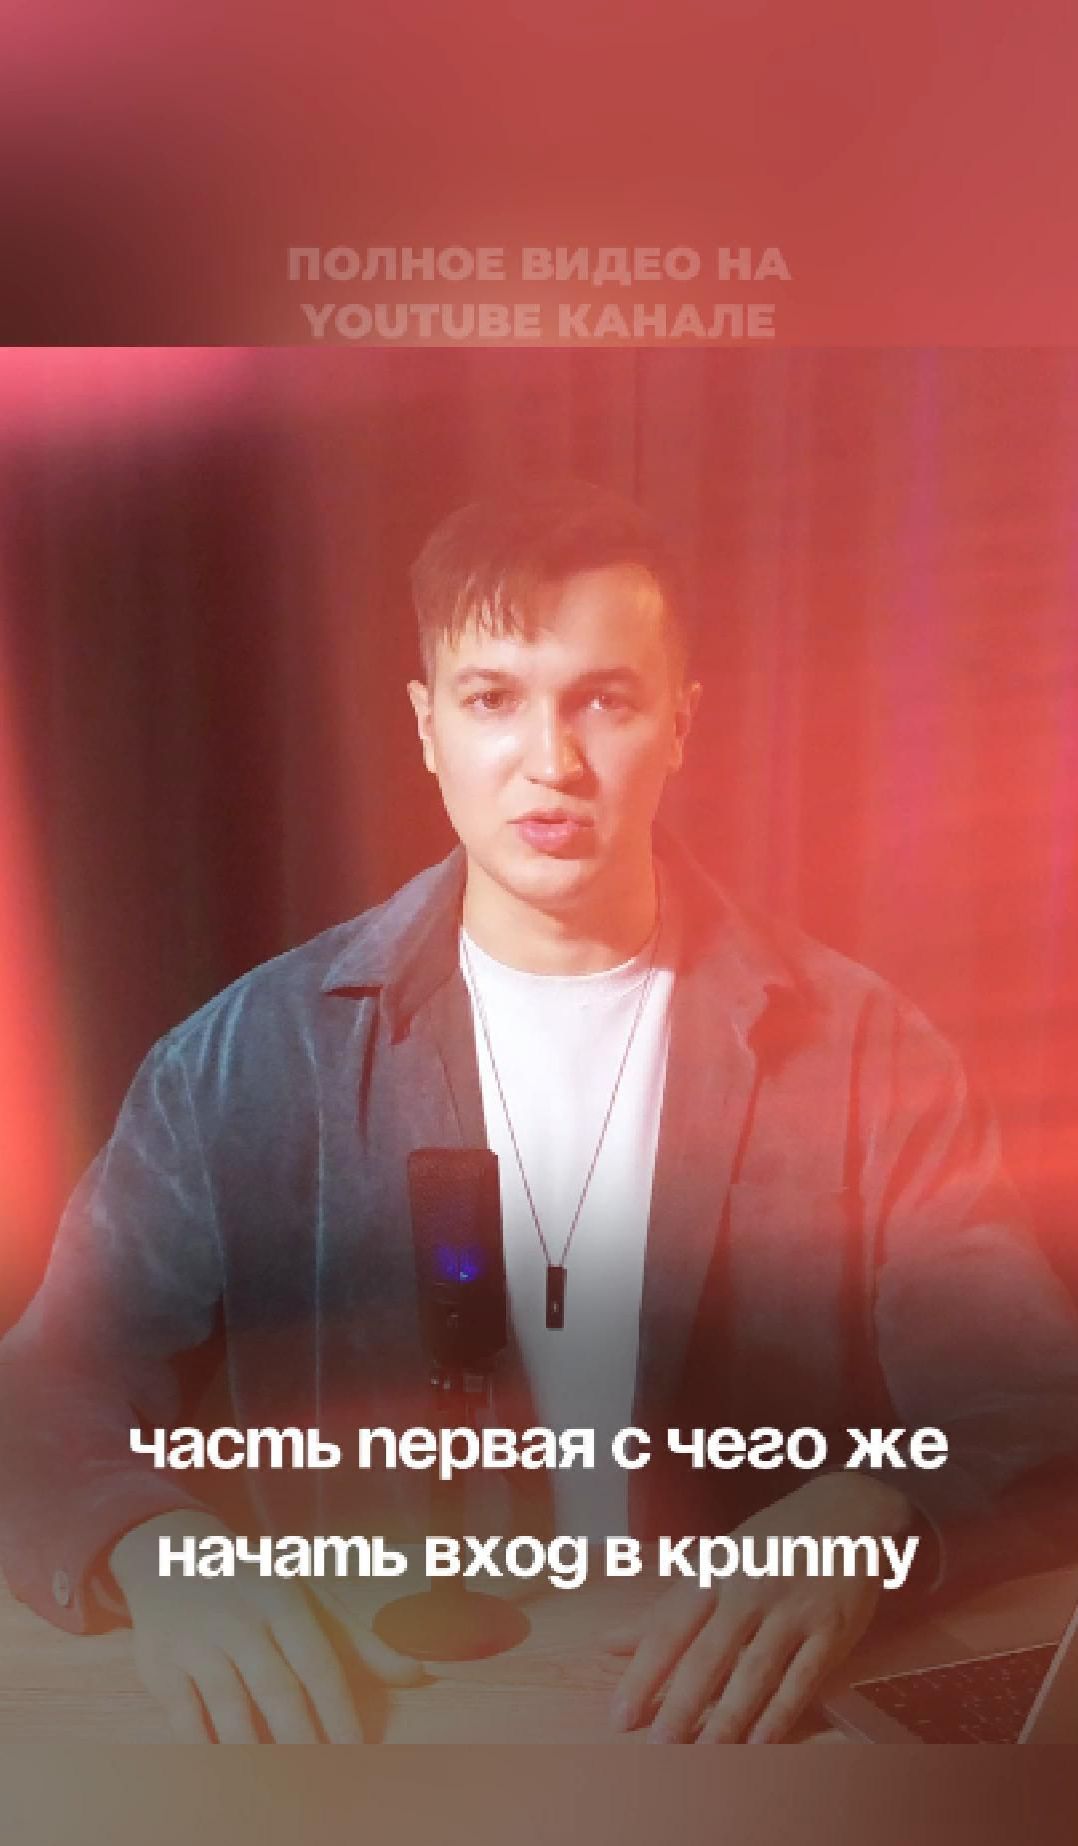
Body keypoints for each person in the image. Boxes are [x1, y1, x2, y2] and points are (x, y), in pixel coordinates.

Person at [2, 478, 1076, 1745]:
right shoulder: (242, 1059)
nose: (552, 763)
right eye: (492, 699)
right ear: (426, 728)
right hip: (378, 1738)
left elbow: (1027, 1402)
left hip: (739, 1736)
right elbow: (41, 1401)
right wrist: (158, 1555)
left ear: (679, 724)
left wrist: (870, 1511)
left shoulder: (858, 1046)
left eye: (603, 700)